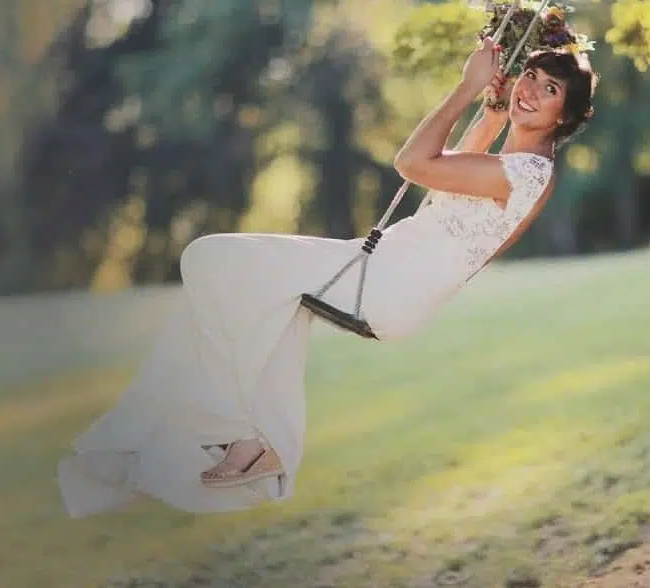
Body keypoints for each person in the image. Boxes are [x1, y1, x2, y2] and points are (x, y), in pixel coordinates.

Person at [57, 38, 597, 517]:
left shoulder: (528, 173)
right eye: (531, 74)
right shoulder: (511, 167)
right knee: (251, 297)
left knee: (208, 259)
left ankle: (226, 428)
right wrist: (491, 104)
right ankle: (253, 443)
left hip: (384, 282)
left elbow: (413, 163)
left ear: (563, 117)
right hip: (381, 275)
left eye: (549, 89)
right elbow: (458, 157)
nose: (531, 88)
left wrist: (464, 88)